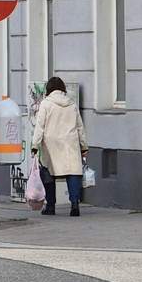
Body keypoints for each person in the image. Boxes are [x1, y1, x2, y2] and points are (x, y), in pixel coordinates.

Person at [32, 77, 88, 217]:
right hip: (70, 142)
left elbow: (40, 127)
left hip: (51, 144)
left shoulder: (46, 104)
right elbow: (80, 127)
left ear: (49, 89)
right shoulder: (72, 104)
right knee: (73, 172)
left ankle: (50, 206)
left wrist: (35, 145)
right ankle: (74, 205)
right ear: (63, 88)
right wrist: (83, 146)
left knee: (48, 174)